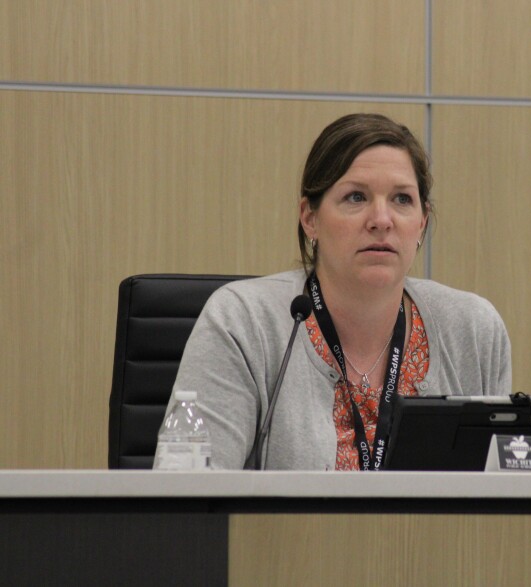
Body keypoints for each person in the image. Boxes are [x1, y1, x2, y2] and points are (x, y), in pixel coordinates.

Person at [159, 113, 512, 470]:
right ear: (310, 218)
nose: (381, 219)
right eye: (356, 197)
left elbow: (501, 501)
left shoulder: (474, 330)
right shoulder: (243, 322)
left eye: (402, 199)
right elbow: (187, 498)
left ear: (421, 223)